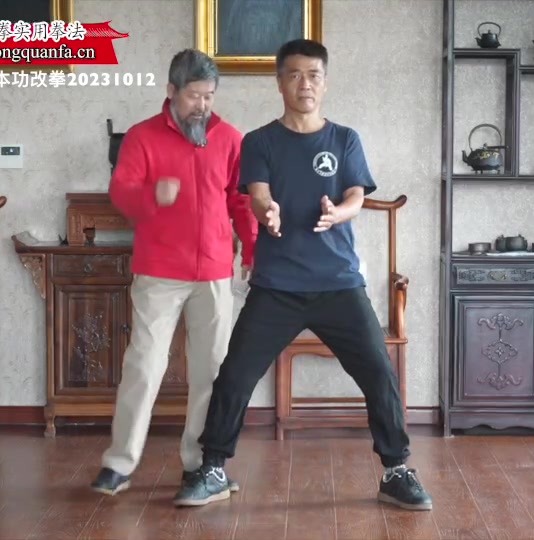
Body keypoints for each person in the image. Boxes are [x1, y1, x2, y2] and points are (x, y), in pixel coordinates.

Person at [171, 39, 433, 511]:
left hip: (339, 283)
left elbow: (356, 195)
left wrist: (340, 213)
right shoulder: (260, 141)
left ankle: (396, 471)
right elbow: (257, 194)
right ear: (279, 83)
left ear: (325, 83)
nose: (304, 84)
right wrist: (267, 211)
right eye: (294, 74)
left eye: (313, 75)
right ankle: (211, 468)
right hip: (277, 286)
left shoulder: (345, 139)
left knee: (379, 372)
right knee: (235, 375)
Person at [90, 49, 257, 496]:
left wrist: (252, 249)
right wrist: (151, 196)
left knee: (211, 371)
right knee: (144, 365)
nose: (202, 105)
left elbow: (241, 201)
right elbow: (121, 192)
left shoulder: (230, 139)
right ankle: (119, 463)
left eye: (209, 96)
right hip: (160, 271)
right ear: (171, 91)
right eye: (194, 96)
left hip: (214, 271)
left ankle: (200, 464)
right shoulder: (142, 137)